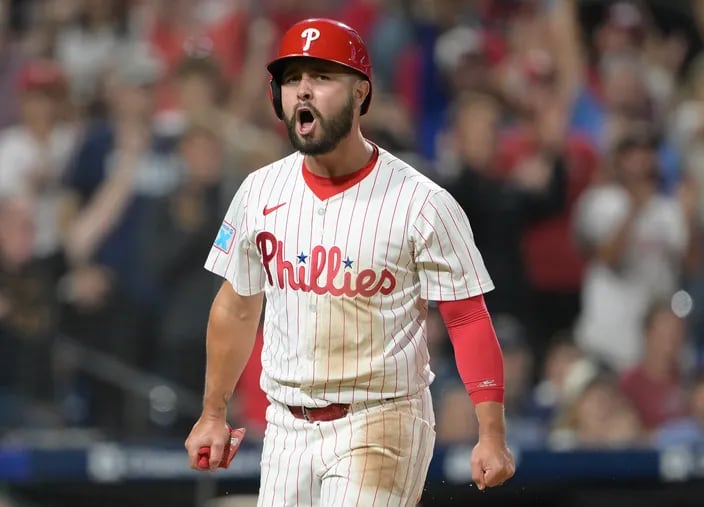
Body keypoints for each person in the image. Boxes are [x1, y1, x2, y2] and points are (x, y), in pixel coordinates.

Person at [184, 17, 515, 505]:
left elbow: (465, 316)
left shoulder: (421, 201)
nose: (303, 91)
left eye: (321, 77)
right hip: (286, 425)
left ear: (361, 92)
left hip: (382, 419)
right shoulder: (259, 192)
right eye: (293, 79)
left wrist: (491, 431)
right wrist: (213, 413)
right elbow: (236, 308)